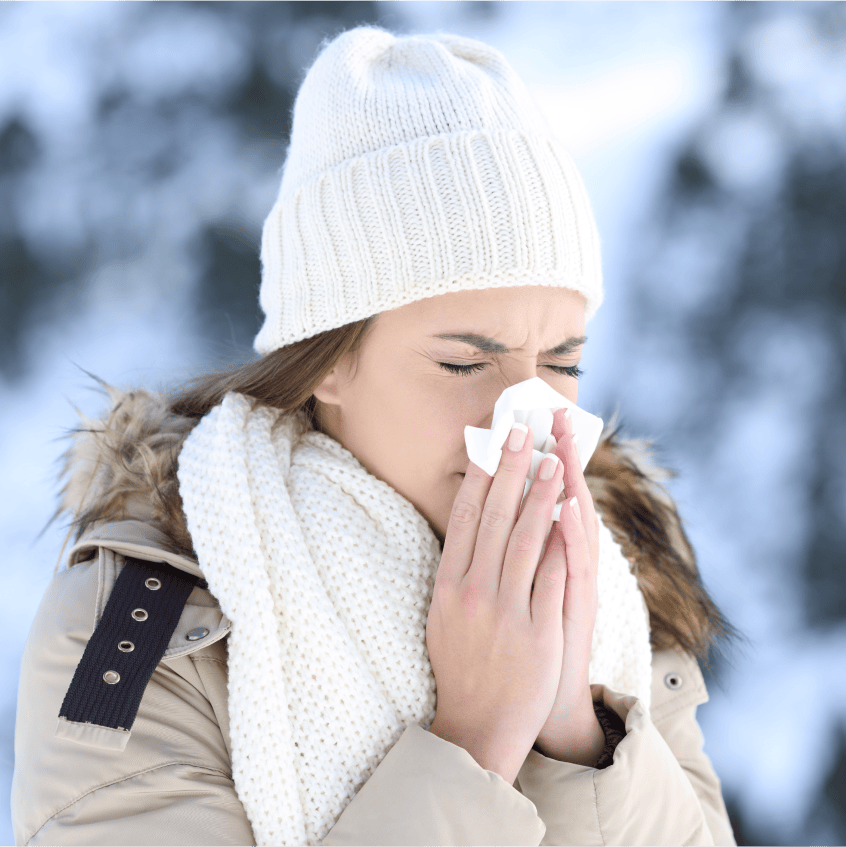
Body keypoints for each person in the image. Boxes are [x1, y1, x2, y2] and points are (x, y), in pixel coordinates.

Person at [11, 24, 740, 847]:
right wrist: (474, 740)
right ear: (328, 359)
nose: (526, 419)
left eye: (563, 361)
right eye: (467, 363)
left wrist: (575, 725)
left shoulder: (615, 582)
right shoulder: (143, 624)